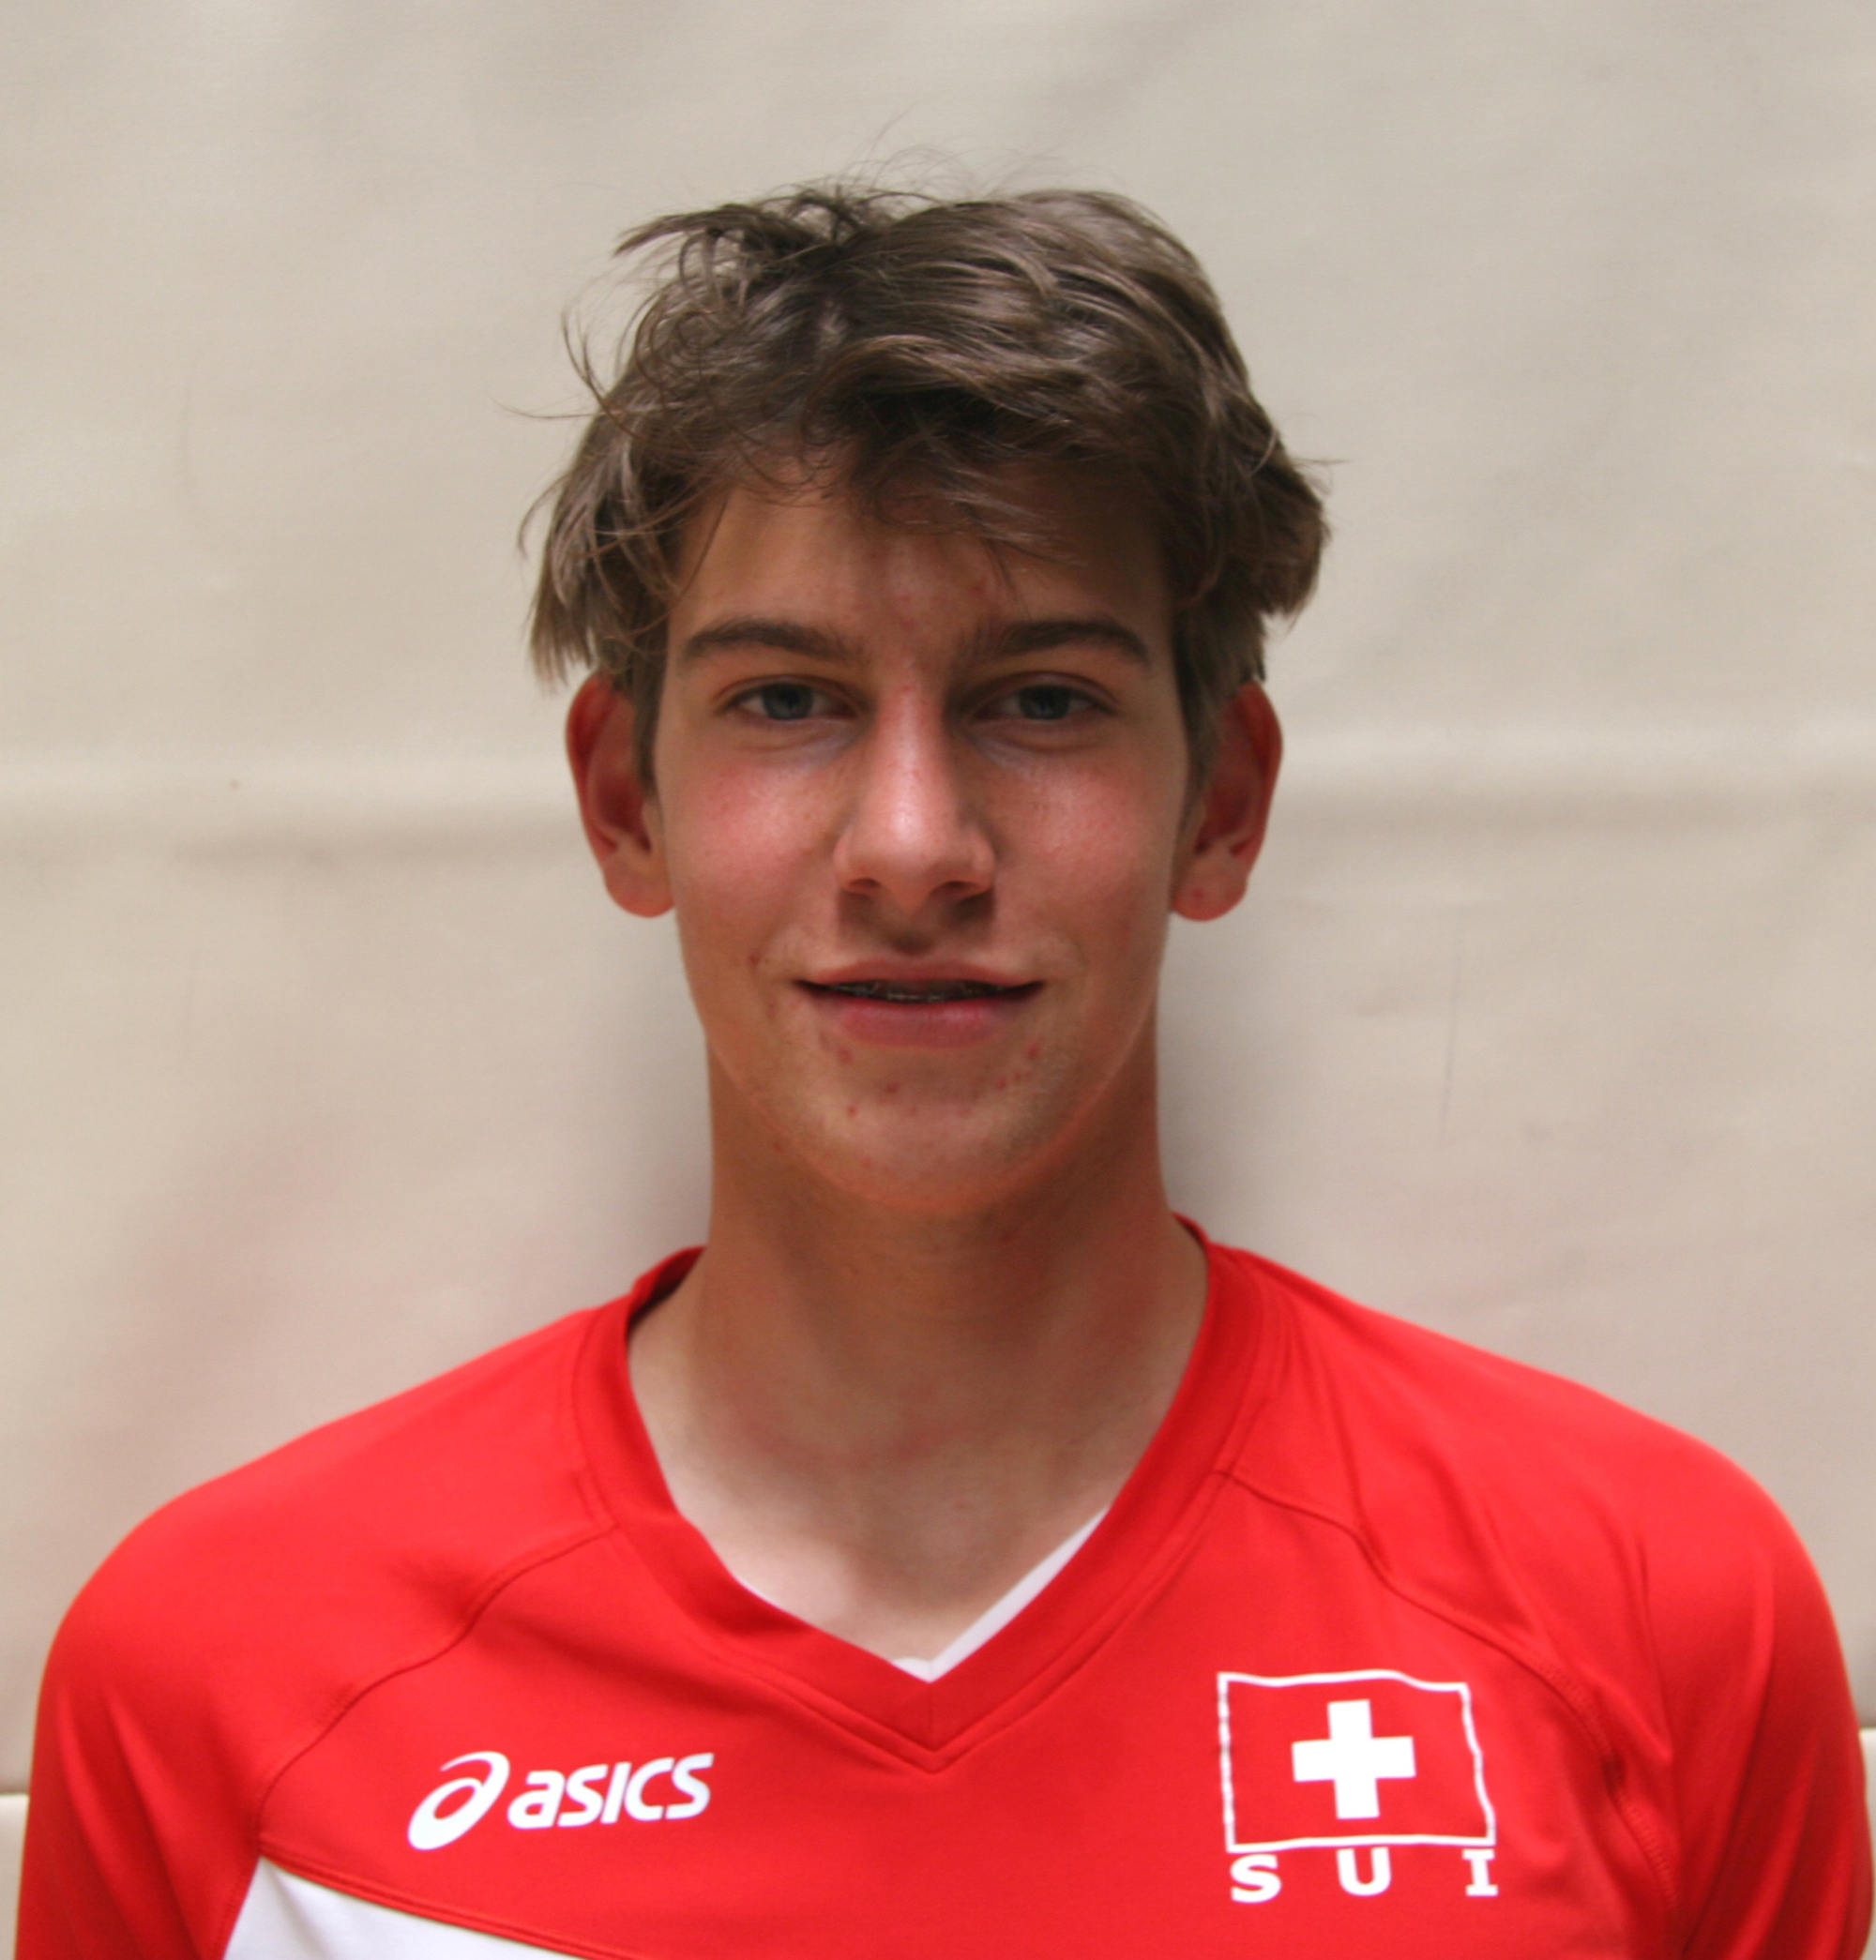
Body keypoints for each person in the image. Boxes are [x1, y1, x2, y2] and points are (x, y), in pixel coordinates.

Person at [17, 181, 1869, 1960]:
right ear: (625, 798)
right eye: (786, 700)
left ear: (1219, 805)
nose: (913, 846)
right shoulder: (226, 1681)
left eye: (1042, 699)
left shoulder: (1652, 1620)